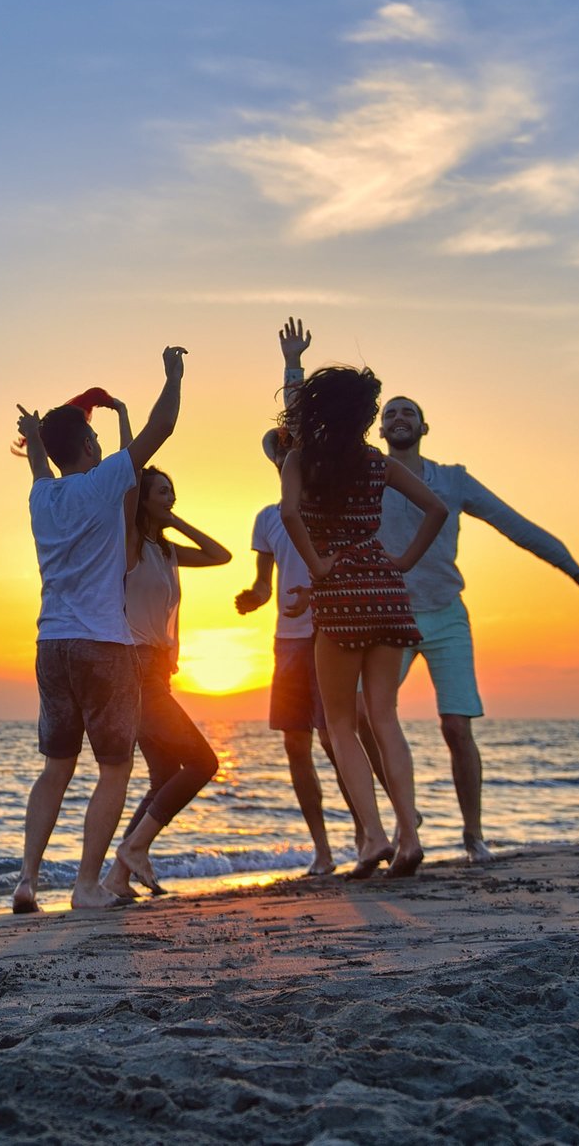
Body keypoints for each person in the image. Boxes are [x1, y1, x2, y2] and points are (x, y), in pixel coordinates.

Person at [373, 393, 579, 864]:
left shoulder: (454, 481)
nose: (399, 418)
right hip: (389, 614)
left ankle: (473, 836)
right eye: (389, 413)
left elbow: (513, 524)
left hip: (446, 616)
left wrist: (574, 570)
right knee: (367, 718)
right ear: (379, 431)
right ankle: (408, 819)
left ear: (424, 428)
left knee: (457, 728)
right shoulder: (369, 475)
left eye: (409, 412)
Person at [11, 345, 186, 914]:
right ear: (90, 447)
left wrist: (36, 437)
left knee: (55, 768)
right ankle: (86, 887)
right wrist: (172, 376)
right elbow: (161, 428)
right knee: (115, 766)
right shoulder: (103, 482)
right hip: (104, 645)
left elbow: (41, 462)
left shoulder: (42, 494)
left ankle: (27, 881)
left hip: (50, 644)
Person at [279, 365, 449, 878]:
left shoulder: (301, 460)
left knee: (340, 724)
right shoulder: (378, 464)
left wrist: (317, 564)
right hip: (387, 589)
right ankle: (410, 836)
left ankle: (373, 836)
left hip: (341, 594)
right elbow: (436, 509)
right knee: (385, 718)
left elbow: (289, 516)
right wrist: (403, 562)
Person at [234, 319, 340, 875]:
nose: (284, 454)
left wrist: (292, 365)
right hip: (287, 641)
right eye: (277, 451)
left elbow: (299, 425)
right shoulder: (266, 519)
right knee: (297, 746)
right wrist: (252, 598)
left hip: (330, 632)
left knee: (334, 738)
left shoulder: (321, 499)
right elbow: (263, 584)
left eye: (289, 448)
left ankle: (377, 832)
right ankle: (323, 851)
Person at [103, 464, 230, 900]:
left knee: (163, 777)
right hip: (135, 672)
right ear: (142, 498)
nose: (170, 498)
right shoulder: (132, 545)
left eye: (173, 491)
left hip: (158, 671)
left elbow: (220, 555)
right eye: (162, 492)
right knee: (204, 763)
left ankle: (117, 879)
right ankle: (134, 848)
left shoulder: (167, 552)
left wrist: (174, 522)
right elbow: (128, 492)